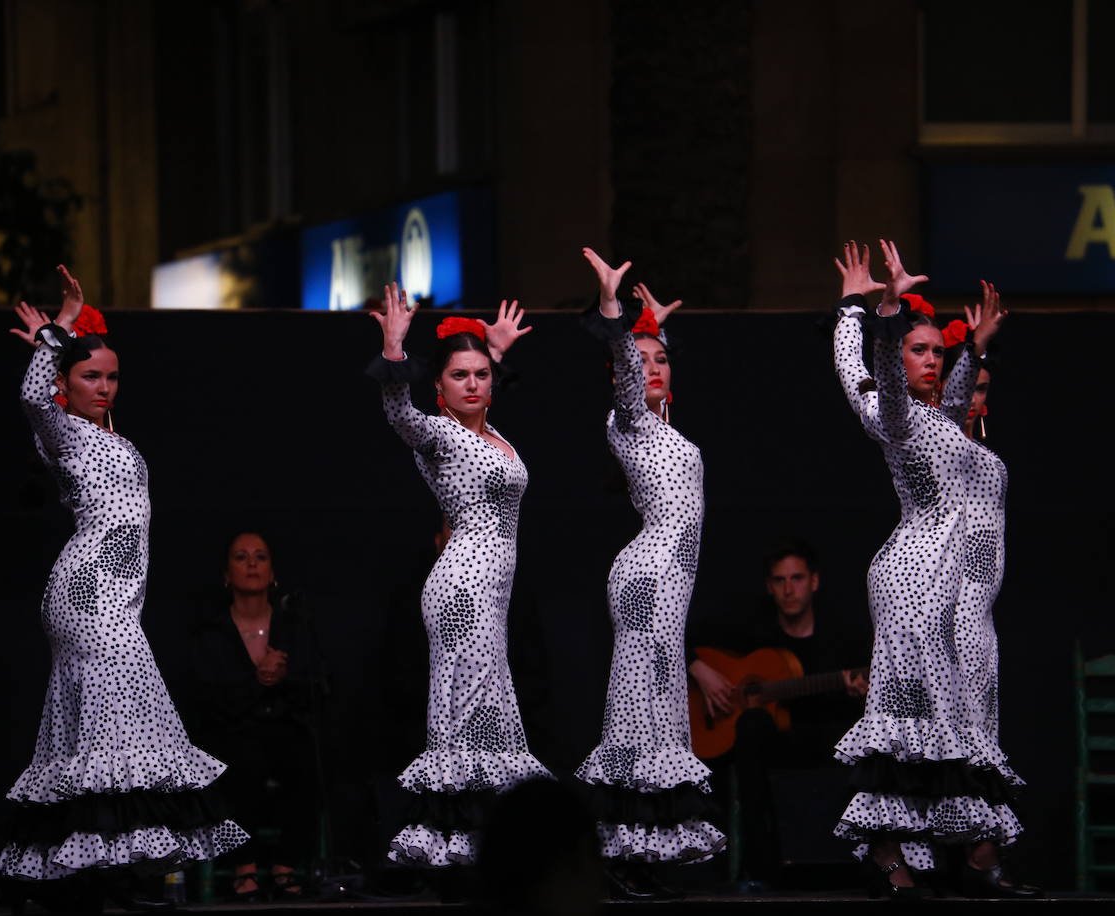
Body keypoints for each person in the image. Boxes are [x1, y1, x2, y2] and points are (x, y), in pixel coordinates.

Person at [0, 267, 246, 904]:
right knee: (118, 724)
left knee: (111, 726)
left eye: (110, 377)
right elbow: (30, 398)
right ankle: (109, 875)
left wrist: (65, 341)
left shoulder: (108, 434)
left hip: (115, 594)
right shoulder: (61, 429)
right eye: (90, 376)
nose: (103, 387)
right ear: (63, 382)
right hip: (88, 592)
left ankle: (101, 872)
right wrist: (62, 328)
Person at [829, 240, 1034, 898]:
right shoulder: (893, 415)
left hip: (961, 590)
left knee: (957, 719)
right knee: (913, 715)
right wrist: (866, 313)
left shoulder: (939, 421)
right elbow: (872, 373)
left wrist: (972, 345)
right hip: (915, 577)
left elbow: (953, 400)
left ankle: (958, 851)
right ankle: (904, 852)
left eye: (934, 352)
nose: (930, 360)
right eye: (921, 350)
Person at [366, 284, 550, 868]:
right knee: (471, 713)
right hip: (463, 589)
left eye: (480, 374)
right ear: (438, 387)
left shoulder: (492, 436)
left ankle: (478, 850)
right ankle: (458, 850)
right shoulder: (439, 435)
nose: (472, 383)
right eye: (459, 375)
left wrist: (493, 352)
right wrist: (395, 351)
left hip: (487, 591)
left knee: (487, 713)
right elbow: (399, 414)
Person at [573, 250, 724, 898]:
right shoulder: (627, 420)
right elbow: (631, 385)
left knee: (659, 710)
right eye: (641, 361)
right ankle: (615, 852)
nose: (653, 368)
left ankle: (641, 852)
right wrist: (618, 314)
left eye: (662, 358)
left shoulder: (667, 433)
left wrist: (649, 330)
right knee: (638, 709)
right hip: (648, 573)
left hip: (669, 579)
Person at [688, 538, 869, 886]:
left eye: (797, 578)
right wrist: (700, 670)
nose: (789, 589)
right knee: (753, 725)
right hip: (769, 744)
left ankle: (865, 861)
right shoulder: (751, 628)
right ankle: (760, 868)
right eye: (780, 580)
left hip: (826, 737)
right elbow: (679, 636)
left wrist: (859, 695)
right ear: (769, 587)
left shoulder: (843, 637)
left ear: (814, 582)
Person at [187, 532, 322, 900]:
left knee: (304, 758)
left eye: (260, 557)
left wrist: (283, 678)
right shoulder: (210, 633)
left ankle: (286, 867)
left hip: (285, 730)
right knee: (239, 761)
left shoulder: (294, 624)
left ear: (272, 571)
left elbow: (318, 684)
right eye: (241, 557)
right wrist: (257, 679)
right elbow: (205, 696)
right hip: (231, 732)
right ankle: (244, 868)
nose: (251, 564)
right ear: (227, 574)